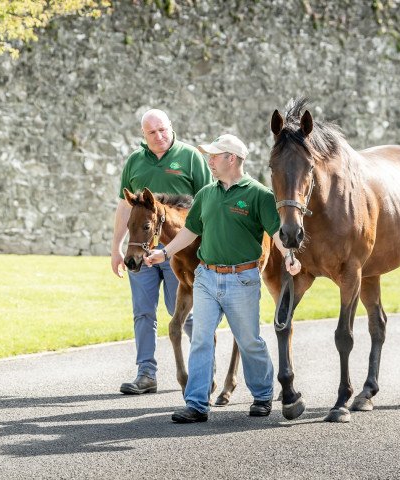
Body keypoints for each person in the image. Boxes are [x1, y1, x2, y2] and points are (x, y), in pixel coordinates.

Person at [144, 133, 301, 423]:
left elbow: (277, 232)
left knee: (249, 340)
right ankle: (196, 403)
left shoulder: (258, 194)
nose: (210, 161)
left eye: (214, 156)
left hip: (242, 279)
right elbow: (189, 231)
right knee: (201, 340)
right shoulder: (206, 193)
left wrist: (290, 256)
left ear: (231, 158)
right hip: (206, 277)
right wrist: (164, 253)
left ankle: (263, 395)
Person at [111, 109, 212, 395]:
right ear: (144, 135)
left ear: (171, 127)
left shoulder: (189, 157)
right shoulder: (135, 161)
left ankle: (204, 365)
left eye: (163, 130)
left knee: (180, 310)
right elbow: (124, 208)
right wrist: (116, 248)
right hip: (140, 249)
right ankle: (146, 374)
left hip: (178, 251)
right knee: (143, 312)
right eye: (152, 133)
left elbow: (208, 201)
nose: (159, 136)